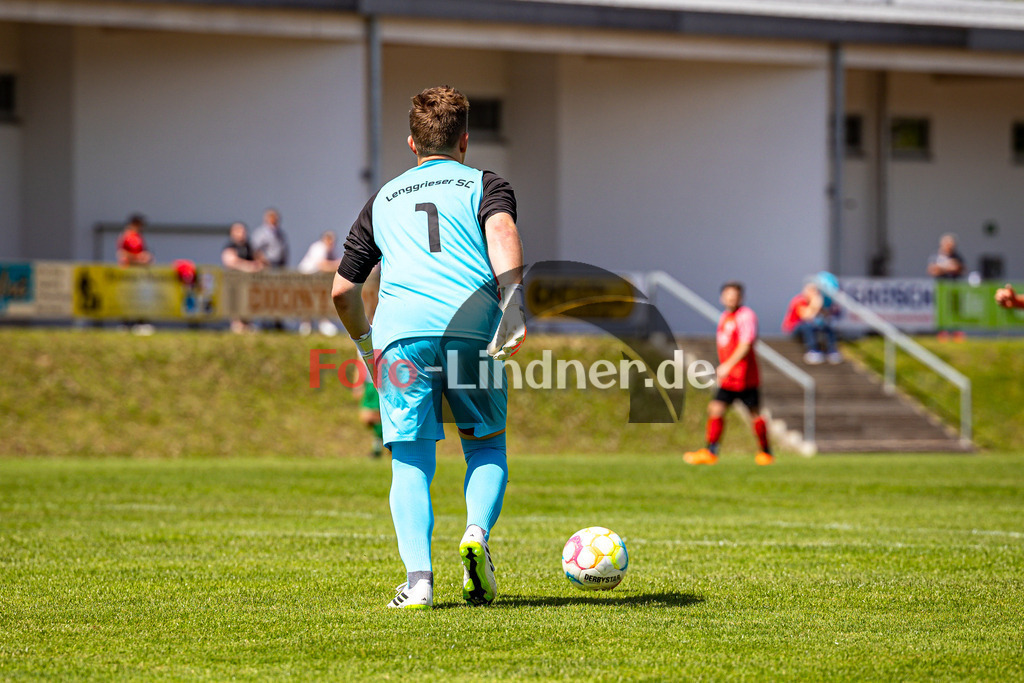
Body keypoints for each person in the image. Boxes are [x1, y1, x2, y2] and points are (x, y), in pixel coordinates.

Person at [331, 86, 526, 610]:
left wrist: (365, 344)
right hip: (472, 328)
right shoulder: (486, 184)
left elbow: (343, 290)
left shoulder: (383, 199)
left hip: (402, 335)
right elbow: (501, 229)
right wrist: (514, 304)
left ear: (412, 143)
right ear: (464, 140)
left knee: (411, 461)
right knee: (485, 446)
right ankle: (476, 536)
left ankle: (418, 583)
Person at [684, 281, 773, 466]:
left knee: (755, 414)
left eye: (735, 295)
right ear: (722, 297)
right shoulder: (725, 316)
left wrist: (728, 365)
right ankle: (711, 451)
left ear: (741, 297)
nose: (731, 298)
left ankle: (766, 453)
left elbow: (745, 344)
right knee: (716, 409)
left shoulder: (746, 316)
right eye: (728, 295)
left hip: (745, 376)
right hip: (729, 378)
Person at [354, 264, 384, 458]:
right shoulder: (365, 333)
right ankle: (382, 441)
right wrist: (357, 384)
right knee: (367, 417)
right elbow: (358, 359)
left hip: (385, 376)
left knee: (374, 415)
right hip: (369, 380)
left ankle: (381, 444)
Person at [782, 281, 842, 364]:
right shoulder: (799, 300)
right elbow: (806, 317)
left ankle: (832, 352)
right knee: (807, 326)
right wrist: (815, 305)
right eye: (812, 290)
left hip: (810, 326)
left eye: (816, 291)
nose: (815, 293)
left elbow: (825, 316)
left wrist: (822, 306)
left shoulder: (815, 302)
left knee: (827, 326)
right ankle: (813, 351)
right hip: (794, 328)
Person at [297, 231, 342, 336]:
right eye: (329, 240)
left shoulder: (332, 250)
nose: (331, 243)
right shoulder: (318, 248)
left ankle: (323, 324)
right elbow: (323, 265)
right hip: (307, 279)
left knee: (321, 301)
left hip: (319, 281)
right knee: (308, 302)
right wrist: (337, 265)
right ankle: (306, 326)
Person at [221, 222, 263, 333]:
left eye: (243, 231)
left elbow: (260, 260)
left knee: (248, 306)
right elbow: (230, 261)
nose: (242, 234)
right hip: (234, 284)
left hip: (249, 284)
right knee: (236, 307)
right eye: (238, 231)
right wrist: (248, 267)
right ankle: (237, 326)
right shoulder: (230, 246)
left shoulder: (249, 247)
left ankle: (248, 325)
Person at [928, 234, 966, 341]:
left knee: (955, 311)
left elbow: (960, 268)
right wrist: (948, 268)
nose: (950, 247)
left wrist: (945, 268)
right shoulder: (936, 256)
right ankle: (942, 333)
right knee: (941, 311)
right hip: (941, 289)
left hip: (954, 288)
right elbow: (933, 270)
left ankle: (956, 333)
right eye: (948, 245)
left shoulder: (957, 256)